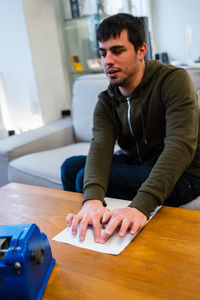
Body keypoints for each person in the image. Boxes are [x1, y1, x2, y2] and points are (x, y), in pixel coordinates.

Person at [61, 13, 200, 244]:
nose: (108, 61)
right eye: (103, 53)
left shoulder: (173, 80)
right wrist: (91, 200)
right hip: (141, 162)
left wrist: (141, 206)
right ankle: (84, 226)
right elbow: (100, 149)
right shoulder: (107, 100)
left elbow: (180, 146)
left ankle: (99, 238)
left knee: (83, 176)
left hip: (186, 174)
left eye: (117, 50)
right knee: (70, 167)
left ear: (141, 50)